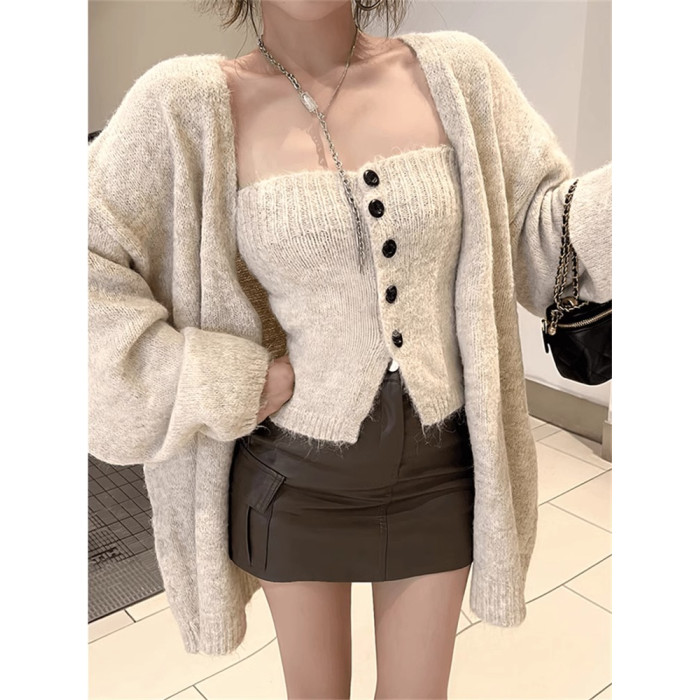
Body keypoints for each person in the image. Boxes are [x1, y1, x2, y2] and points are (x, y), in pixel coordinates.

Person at [88, 0, 612, 696]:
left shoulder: (459, 76)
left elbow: (539, 239)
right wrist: (217, 380)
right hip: (291, 478)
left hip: (440, 474)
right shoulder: (184, 105)